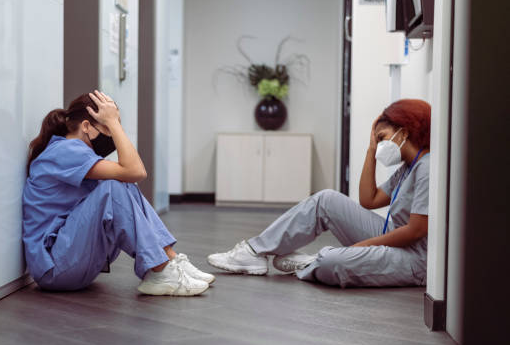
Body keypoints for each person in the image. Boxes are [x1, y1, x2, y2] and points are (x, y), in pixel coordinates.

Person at [208, 99, 431, 288]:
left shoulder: (427, 168)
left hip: (415, 258)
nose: (380, 144)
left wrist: (363, 246)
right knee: (326, 199)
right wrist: (371, 150)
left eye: (382, 138)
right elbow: (369, 199)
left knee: (333, 260)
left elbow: (416, 230)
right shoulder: (407, 168)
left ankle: (311, 262)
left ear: (404, 131)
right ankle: (254, 251)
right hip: (397, 240)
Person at [22, 90, 214, 296]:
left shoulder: (79, 153)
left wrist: (112, 124)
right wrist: (114, 124)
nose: (114, 134)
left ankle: (170, 260)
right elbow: (136, 171)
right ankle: (160, 270)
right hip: (54, 268)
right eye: (109, 126)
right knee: (113, 186)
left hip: (72, 262)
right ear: (86, 126)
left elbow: (132, 176)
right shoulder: (65, 150)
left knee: (123, 184)